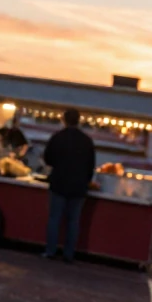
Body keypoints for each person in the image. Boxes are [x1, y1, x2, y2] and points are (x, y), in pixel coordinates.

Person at [42, 108, 96, 263]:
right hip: (79, 186)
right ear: (79, 121)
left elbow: (48, 159)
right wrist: (86, 181)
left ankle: (50, 251)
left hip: (59, 183)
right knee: (73, 221)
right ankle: (68, 254)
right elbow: (91, 166)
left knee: (54, 218)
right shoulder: (87, 141)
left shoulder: (57, 137)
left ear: (64, 120)